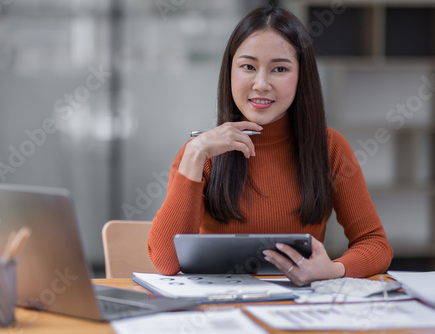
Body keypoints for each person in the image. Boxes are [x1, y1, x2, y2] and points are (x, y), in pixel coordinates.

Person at [147, 4, 393, 286]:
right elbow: (166, 262)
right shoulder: (202, 153)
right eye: (248, 67)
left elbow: (375, 244)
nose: (261, 84)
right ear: (230, 71)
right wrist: (193, 153)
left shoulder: (330, 147)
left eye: (279, 69)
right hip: (220, 313)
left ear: (301, 76)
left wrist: (333, 269)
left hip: (299, 312)